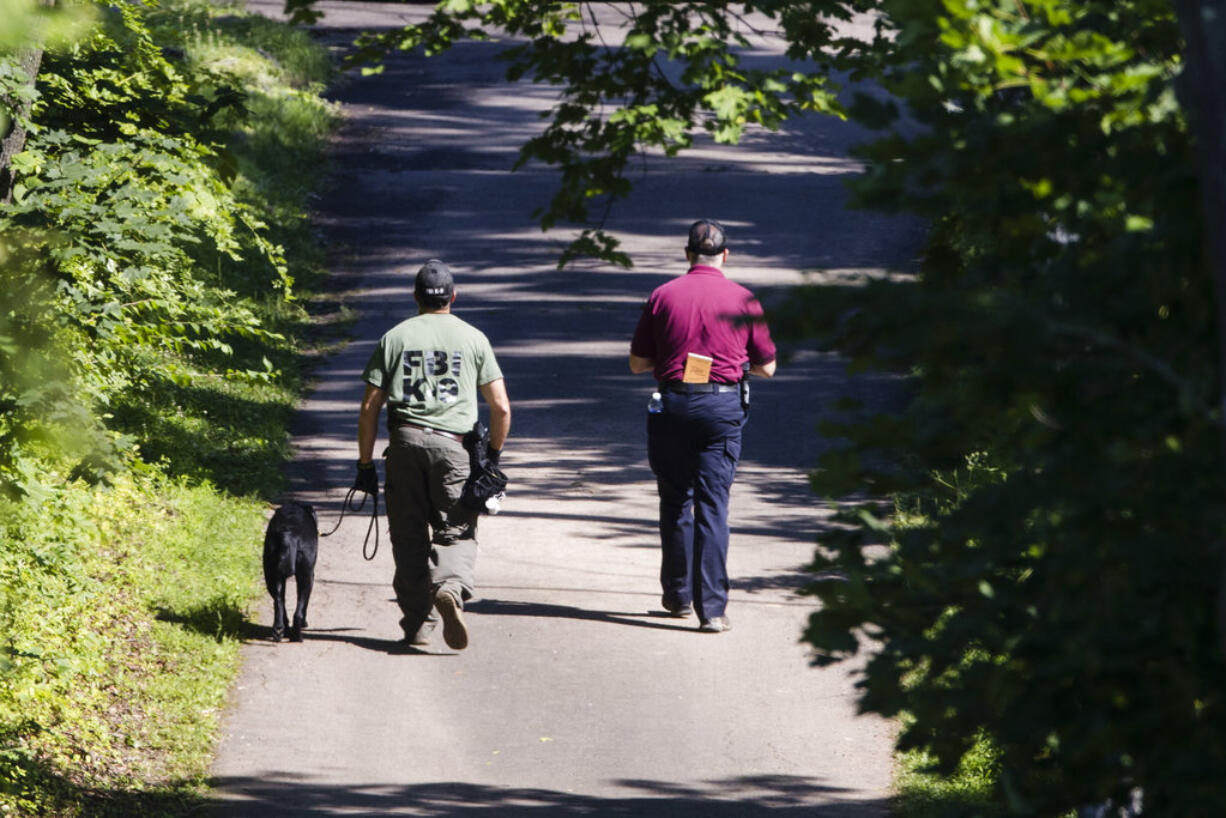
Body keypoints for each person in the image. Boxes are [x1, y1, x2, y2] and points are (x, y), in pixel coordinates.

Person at [629, 220, 777, 633]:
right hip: (722, 407)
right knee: (714, 506)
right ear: (725, 256)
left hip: (673, 403)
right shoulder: (744, 299)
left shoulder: (662, 296)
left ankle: (677, 596)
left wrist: (672, 360)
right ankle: (711, 610)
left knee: (675, 500)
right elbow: (767, 367)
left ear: (687, 254)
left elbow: (637, 363)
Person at [356, 259, 510, 651]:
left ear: (415, 297)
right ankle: (451, 588)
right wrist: (491, 455)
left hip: (404, 445)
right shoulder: (474, 338)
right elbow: (501, 408)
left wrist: (364, 464)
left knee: (408, 537)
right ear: (453, 298)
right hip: (453, 448)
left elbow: (369, 407)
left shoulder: (394, 337)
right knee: (456, 530)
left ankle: (417, 624)